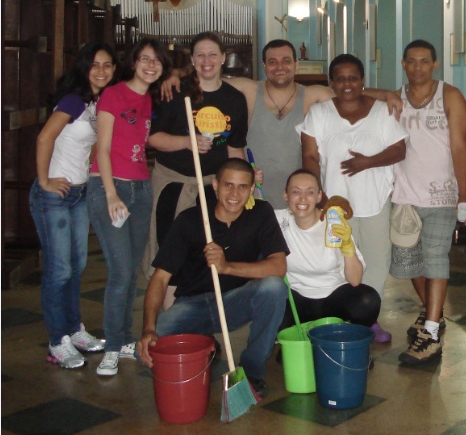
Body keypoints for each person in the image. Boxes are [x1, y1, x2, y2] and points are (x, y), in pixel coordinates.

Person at [163, 39, 400, 209]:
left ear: (296, 64)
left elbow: (348, 90)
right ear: (264, 66)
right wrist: (177, 72)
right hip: (255, 193)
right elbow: (208, 73)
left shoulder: (311, 95)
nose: (280, 67)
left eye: (286, 61)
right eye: (272, 62)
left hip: (297, 195)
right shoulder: (248, 90)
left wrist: (386, 94)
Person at [137, 159, 288, 399]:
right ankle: (204, 341)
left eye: (242, 187)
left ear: (251, 189)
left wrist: (226, 267)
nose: (234, 194)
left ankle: (252, 371)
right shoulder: (190, 220)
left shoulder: (261, 212)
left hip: (235, 302)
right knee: (148, 348)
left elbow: (278, 266)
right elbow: (160, 278)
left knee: (273, 287)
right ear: (215, 185)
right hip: (192, 305)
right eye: (228, 185)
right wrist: (148, 328)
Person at [299, 54, 408, 343]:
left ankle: (368, 319)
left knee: (375, 260)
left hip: (373, 201)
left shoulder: (382, 111)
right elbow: (309, 155)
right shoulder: (319, 113)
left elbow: (399, 149)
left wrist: (368, 162)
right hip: (333, 203)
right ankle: (341, 316)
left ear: (362, 81)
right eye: (340, 78)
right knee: (337, 260)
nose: (347, 83)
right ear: (331, 82)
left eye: (353, 77)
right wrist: (317, 194)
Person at [87, 39, 171, 377]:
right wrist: (110, 194)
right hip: (112, 187)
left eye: (157, 61)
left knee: (133, 270)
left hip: (140, 189)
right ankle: (111, 345)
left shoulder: (150, 99)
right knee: (119, 272)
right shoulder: (114, 94)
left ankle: (123, 339)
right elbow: (102, 149)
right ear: (134, 62)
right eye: (144, 59)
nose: (151, 65)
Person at [30, 42, 116, 369]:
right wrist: (45, 180)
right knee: (59, 268)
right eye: (95, 64)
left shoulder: (97, 103)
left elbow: (94, 148)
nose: (102, 70)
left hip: (77, 194)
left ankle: (74, 329)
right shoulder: (74, 99)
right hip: (54, 196)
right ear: (83, 67)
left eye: (107, 65)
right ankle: (57, 340)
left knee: (77, 265)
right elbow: (44, 138)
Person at [391, 40, 466, 365]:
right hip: (404, 196)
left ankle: (433, 331)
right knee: (409, 261)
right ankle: (431, 313)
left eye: (424, 61)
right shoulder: (394, 99)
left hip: (441, 194)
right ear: (403, 64)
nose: (418, 67)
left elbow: (460, 147)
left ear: (435, 64)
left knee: (435, 255)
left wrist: (464, 192)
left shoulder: (450, 96)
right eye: (412, 61)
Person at [143, 32, 248, 278]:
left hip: (213, 188)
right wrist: (186, 142)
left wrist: (246, 178)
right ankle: (169, 312)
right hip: (174, 185)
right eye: (200, 55)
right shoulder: (175, 91)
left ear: (223, 57)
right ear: (192, 59)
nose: (206, 60)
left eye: (213, 54)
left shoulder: (234, 99)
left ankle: (201, 309)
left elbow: (234, 148)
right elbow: (152, 137)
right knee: (170, 258)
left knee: (207, 255)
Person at [277, 169, 380, 329]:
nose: (303, 198)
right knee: (269, 303)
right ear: (285, 195)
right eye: (296, 192)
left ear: (319, 196)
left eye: (310, 192)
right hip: (295, 298)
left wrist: (348, 246)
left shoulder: (334, 223)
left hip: (333, 297)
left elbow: (355, 280)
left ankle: (348, 334)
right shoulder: (276, 220)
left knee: (367, 300)